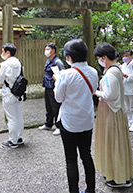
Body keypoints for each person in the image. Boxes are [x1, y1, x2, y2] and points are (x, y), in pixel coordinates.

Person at [54, 39, 98, 193]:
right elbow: (92, 91)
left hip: (69, 121)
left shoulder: (65, 75)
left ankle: (74, 191)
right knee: (86, 155)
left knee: (71, 160)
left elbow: (58, 98)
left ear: (69, 57)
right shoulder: (93, 71)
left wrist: (57, 81)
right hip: (87, 120)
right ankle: (90, 189)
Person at [93, 43, 133, 188]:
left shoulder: (111, 73)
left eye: (99, 58)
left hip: (111, 111)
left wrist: (96, 92)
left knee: (113, 143)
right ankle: (118, 173)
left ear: (104, 57)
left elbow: (109, 95)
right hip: (114, 110)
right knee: (116, 143)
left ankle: (118, 178)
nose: (99, 60)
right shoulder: (115, 69)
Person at [0, 43, 24, 149]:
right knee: (18, 116)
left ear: (7, 52)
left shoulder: (5, 64)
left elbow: (0, 79)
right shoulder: (19, 63)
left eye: (3, 51)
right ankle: (19, 137)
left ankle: (13, 141)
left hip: (8, 94)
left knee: (11, 118)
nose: (1, 53)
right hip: (18, 93)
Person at [39, 42, 65, 136]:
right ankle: (48, 124)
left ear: (53, 51)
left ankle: (59, 126)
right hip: (47, 86)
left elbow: (62, 74)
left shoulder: (57, 62)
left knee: (55, 106)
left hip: (54, 87)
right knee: (48, 106)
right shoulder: (48, 60)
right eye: (46, 49)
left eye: (48, 49)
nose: (46, 51)